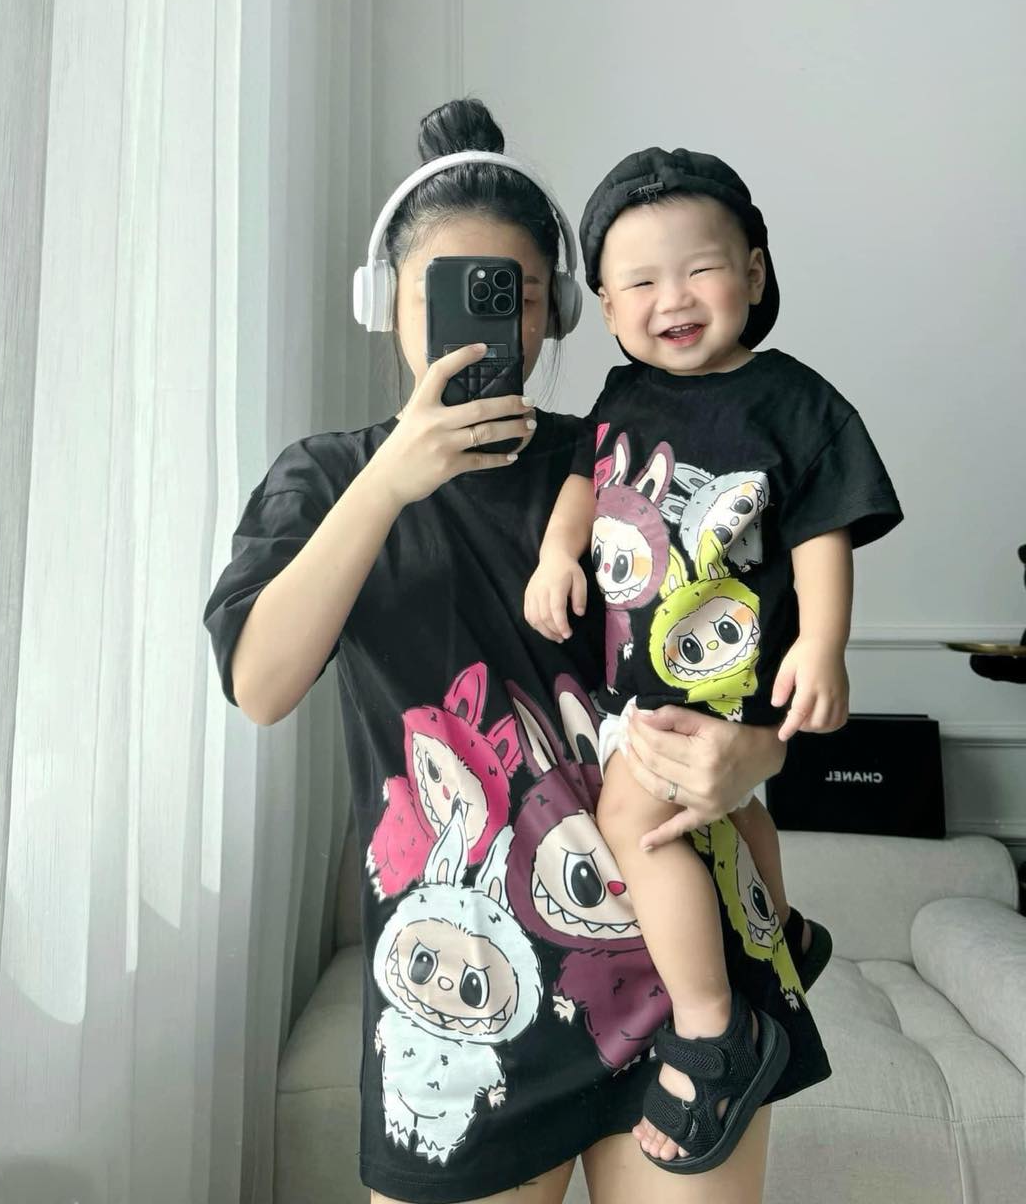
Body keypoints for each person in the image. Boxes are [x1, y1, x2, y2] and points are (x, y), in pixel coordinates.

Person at [203, 104, 831, 1204]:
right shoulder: (324, 478)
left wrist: (760, 755)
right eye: (444, 292)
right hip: (457, 996)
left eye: (519, 293)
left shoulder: (627, 453)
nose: (487, 324)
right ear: (384, 303)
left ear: (558, 311)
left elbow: (753, 640)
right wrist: (391, 480)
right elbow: (260, 686)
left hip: (683, 987)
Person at [525, 147, 902, 1174]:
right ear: (608, 306)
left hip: (722, 685)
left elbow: (822, 530)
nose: (674, 299)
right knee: (736, 819)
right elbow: (582, 479)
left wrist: (823, 643)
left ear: (755, 271)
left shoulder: (794, 402)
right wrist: (559, 551)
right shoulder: (623, 394)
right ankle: (788, 933)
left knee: (634, 822)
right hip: (645, 679)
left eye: (699, 269)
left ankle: (712, 1029)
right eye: (640, 282)